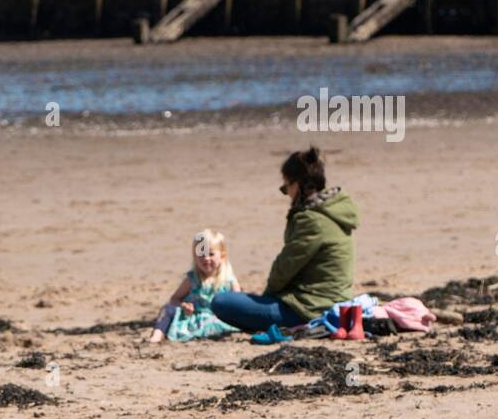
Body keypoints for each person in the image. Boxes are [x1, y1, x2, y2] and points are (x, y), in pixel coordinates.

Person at [210, 147, 358, 335]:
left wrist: (267, 296)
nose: (286, 193)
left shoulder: (311, 220)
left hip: (311, 308)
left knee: (222, 302)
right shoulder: (333, 210)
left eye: (285, 187)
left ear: (298, 185)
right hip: (333, 301)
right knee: (244, 302)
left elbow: (285, 267)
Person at [149, 229, 241, 342]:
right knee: (167, 309)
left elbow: (240, 304)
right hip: (193, 319)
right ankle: (157, 336)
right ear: (194, 256)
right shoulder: (192, 279)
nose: (206, 258)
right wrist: (184, 306)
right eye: (201, 254)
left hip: (218, 320)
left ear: (222, 256)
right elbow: (174, 299)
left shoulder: (229, 279)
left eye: (211, 254)